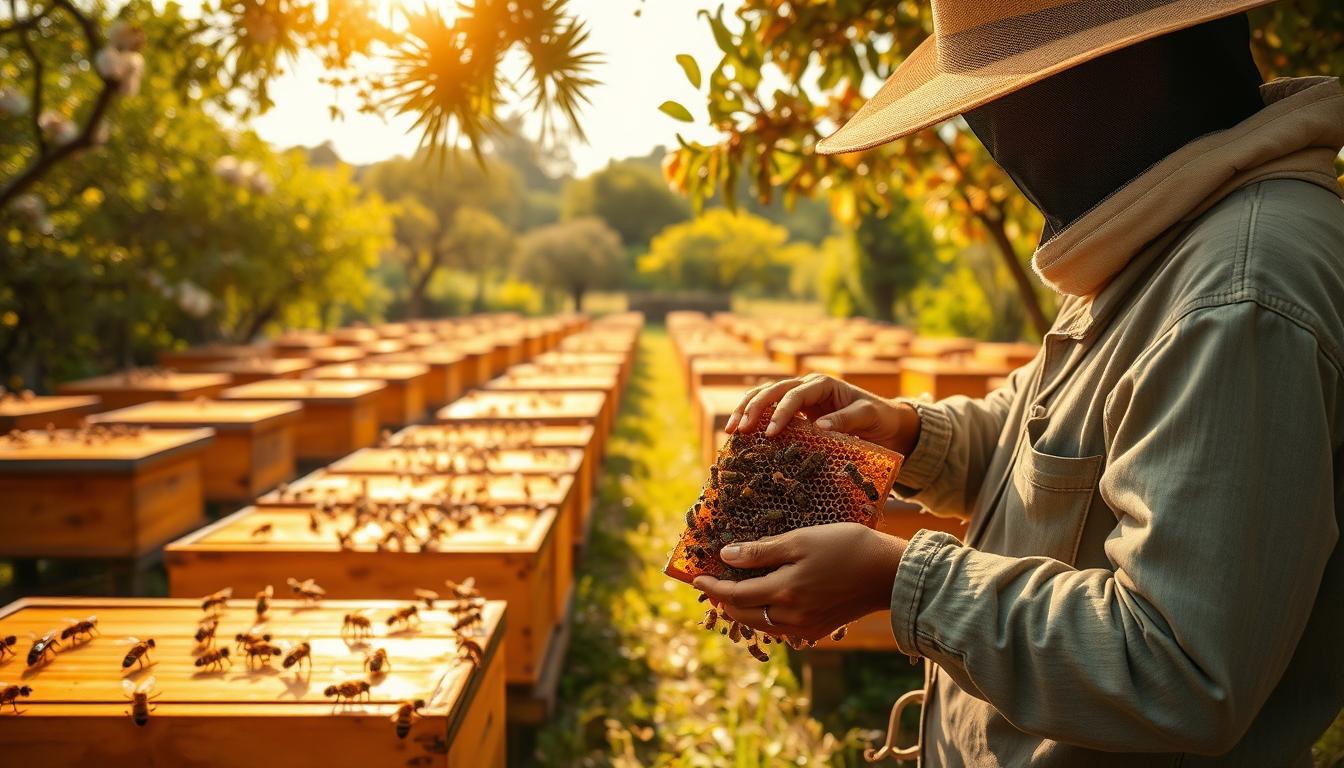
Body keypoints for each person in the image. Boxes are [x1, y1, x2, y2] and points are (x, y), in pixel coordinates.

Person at [692, 1, 1344, 765]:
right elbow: (1044, 427)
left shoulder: (1235, 294)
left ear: (1112, 72)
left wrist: (900, 580)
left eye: (1002, 94)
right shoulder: (1166, 232)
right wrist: (908, 433)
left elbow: (1177, 668)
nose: (989, 136)